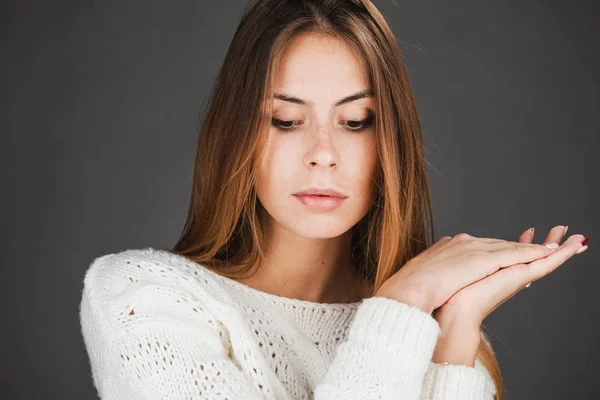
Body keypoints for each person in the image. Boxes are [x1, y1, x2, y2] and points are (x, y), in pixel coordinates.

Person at [79, 0, 589, 399]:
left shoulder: (431, 329)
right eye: (286, 120)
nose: (323, 154)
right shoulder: (141, 299)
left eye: (355, 122)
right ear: (236, 135)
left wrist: (454, 332)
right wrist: (401, 302)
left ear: (390, 142)